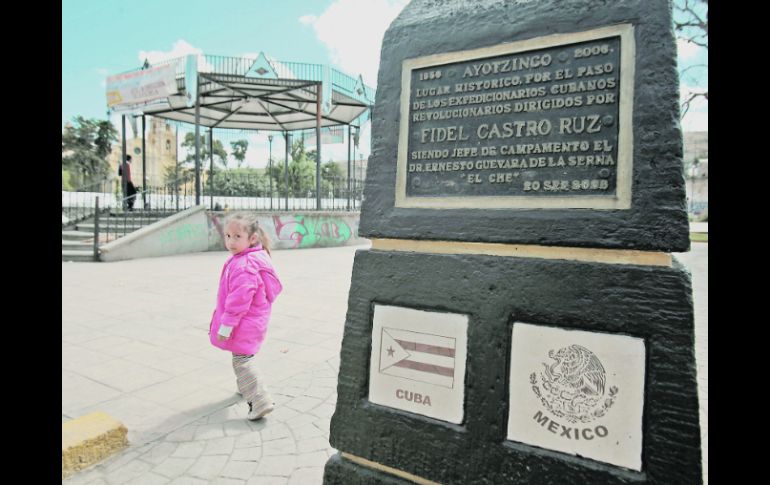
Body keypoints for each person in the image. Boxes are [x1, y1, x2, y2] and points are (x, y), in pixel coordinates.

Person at [209, 212, 283, 420]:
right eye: (227, 236)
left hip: (243, 323)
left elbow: (238, 302)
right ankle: (245, 387)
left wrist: (225, 327)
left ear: (252, 239)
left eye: (237, 237)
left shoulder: (244, 265)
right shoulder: (252, 257)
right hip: (253, 321)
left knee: (242, 361)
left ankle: (260, 401)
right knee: (242, 357)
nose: (231, 241)